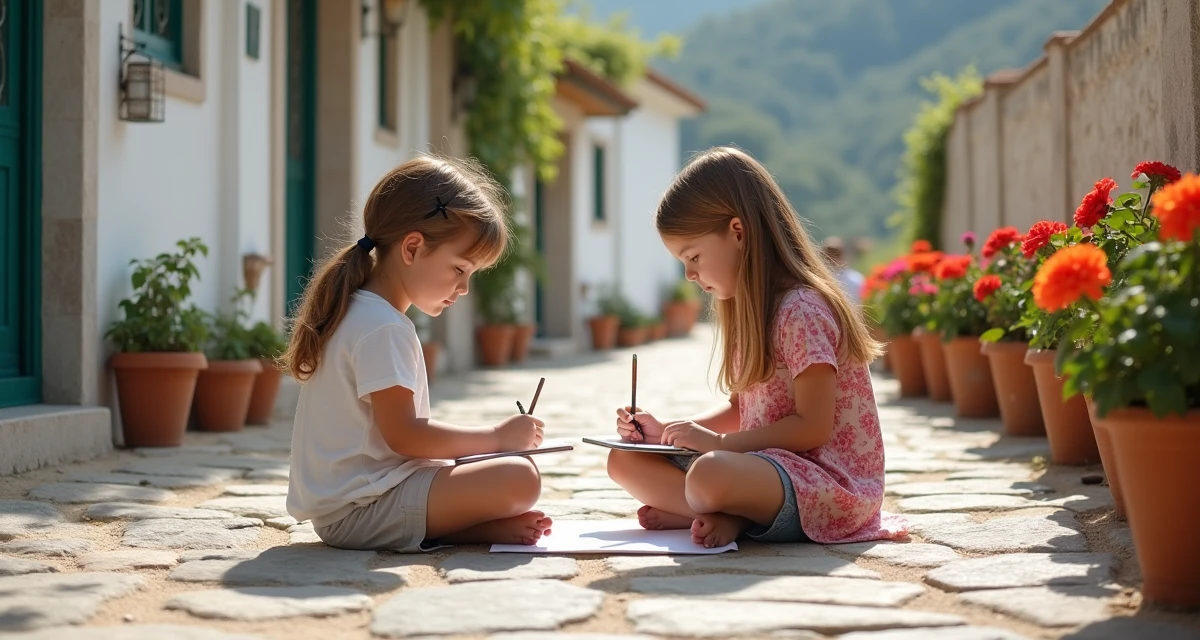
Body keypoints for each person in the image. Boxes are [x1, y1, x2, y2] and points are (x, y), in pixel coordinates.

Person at [607, 147, 908, 548]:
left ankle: (713, 510)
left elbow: (812, 426)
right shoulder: (750, 311)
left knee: (710, 474)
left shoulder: (801, 310)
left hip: (824, 482)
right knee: (624, 460)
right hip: (763, 467)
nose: (690, 274)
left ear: (738, 231)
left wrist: (718, 445)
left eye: (693, 256)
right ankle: (717, 510)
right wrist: (666, 433)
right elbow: (741, 409)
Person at [284, 155, 552, 551]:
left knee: (502, 471)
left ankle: (468, 529)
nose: (463, 288)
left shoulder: (364, 311)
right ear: (412, 247)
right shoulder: (382, 327)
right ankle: (462, 529)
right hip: (361, 511)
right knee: (520, 477)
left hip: (365, 500)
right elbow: (406, 437)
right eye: (459, 269)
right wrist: (497, 437)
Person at [822, 236, 865, 307]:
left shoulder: (857, 279)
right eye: (829, 254)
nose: (831, 258)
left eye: (835, 253)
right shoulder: (857, 278)